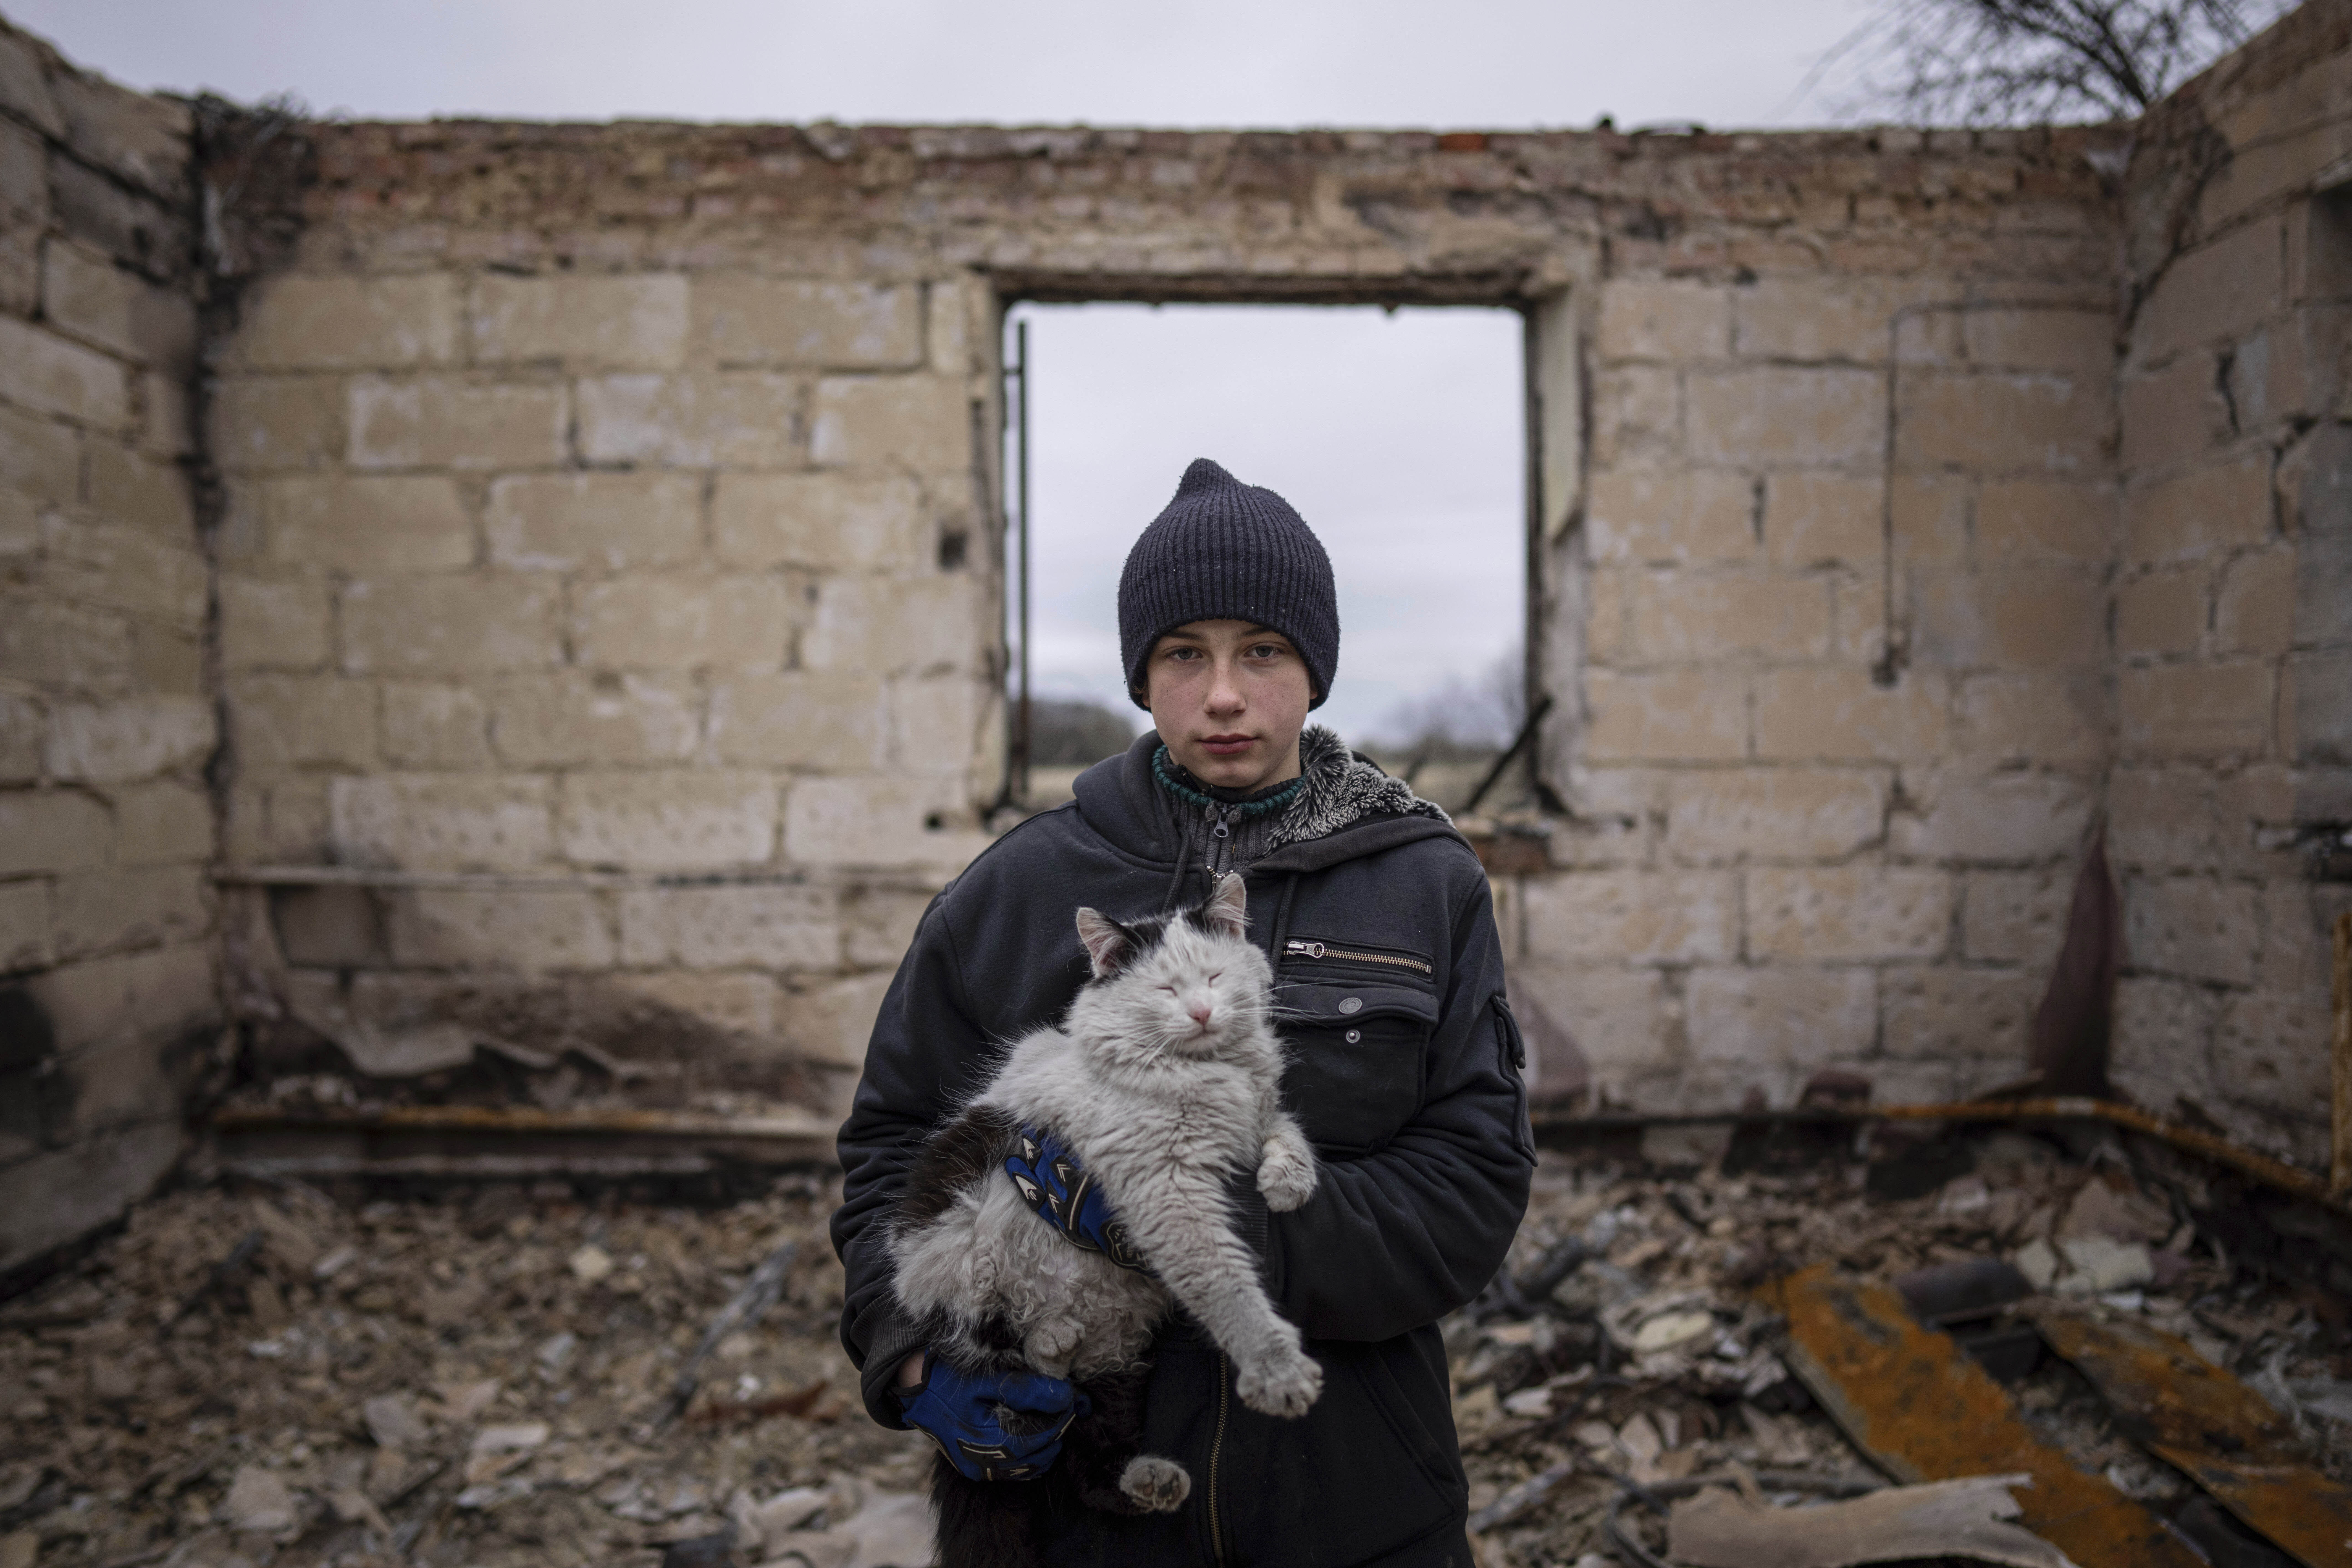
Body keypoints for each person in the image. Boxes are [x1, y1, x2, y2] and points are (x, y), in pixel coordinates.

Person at [830, 457, 1535, 1567]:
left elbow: (1471, 1183)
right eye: (1181, 654)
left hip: (1350, 1503)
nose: (1221, 694)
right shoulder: (1015, 893)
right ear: (1140, 677)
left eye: (1260, 651)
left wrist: (1199, 1223)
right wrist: (914, 1357)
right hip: (1073, 1515)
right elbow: (889, 1145)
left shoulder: (1424, 884)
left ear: (1315, 669)